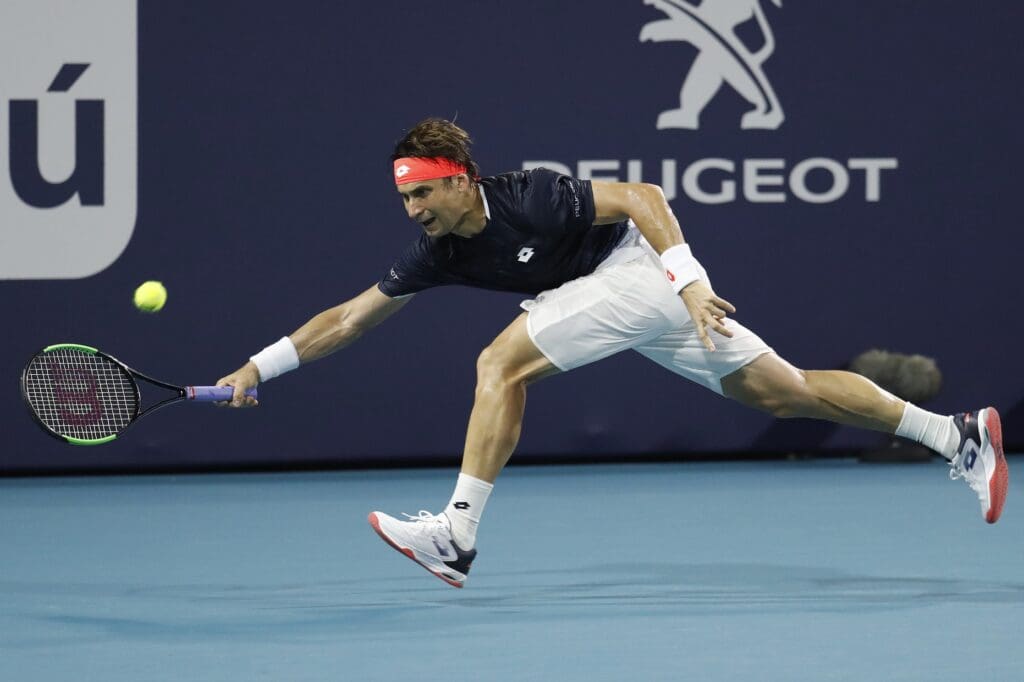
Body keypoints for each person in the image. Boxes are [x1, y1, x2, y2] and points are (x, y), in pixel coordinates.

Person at [216, 118, 1008, 588]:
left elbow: (644, 198)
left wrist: (689, 282)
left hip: (641, 276)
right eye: (405, 199)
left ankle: (456, 534)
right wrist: (260, 365)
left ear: (462, 180)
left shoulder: (526, 193)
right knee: (784, 390)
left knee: (500, 364)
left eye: (424, 191)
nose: (414, 208)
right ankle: (957, 435)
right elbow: (349, 319)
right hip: (627, 300)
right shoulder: (437, 254)